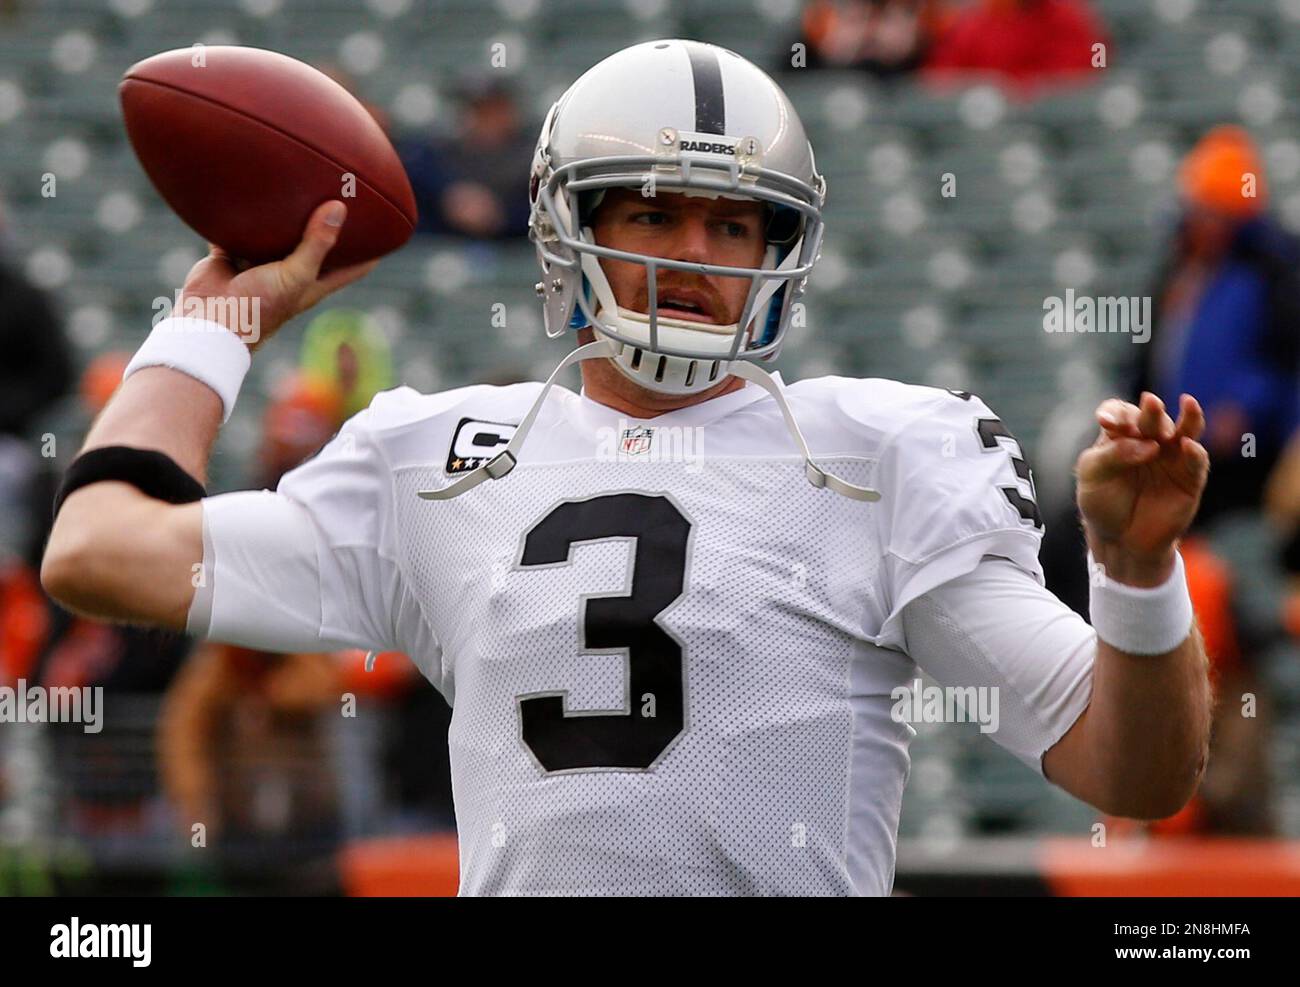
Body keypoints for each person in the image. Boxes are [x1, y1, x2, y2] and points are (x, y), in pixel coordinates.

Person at [42, 39, 1211, 897]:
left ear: (780, 250)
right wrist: (217, 325)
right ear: (572, 225)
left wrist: (1136, 567)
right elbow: (97, 552)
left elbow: (1135, 771)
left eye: (733, 222)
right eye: (654, 213)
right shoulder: (437, 458)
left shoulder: (877, 454)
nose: (696, 256)